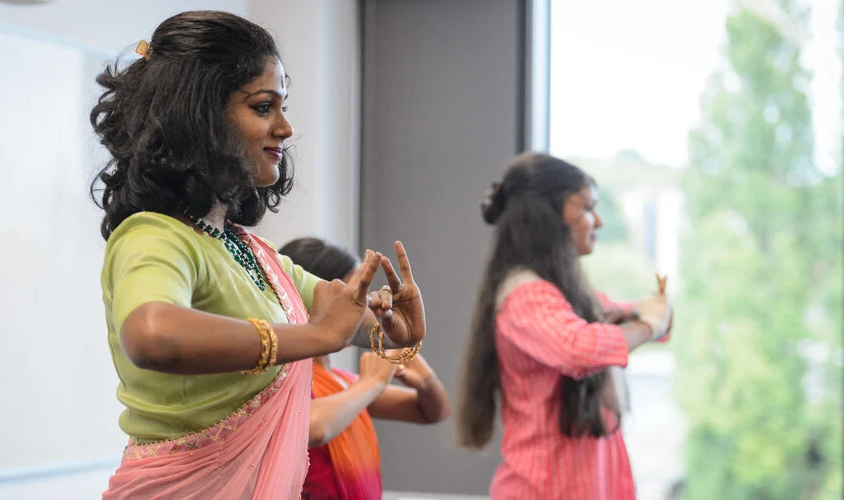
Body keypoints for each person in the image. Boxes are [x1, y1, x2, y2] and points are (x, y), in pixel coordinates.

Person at [89, 11, 426, 499]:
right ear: (200, 116)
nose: (286, 129)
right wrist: (313, 335)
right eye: (264, 106)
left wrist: (401, 332)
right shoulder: (154, 236)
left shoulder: (255, 253)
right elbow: (152, 334)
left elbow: (359, 327)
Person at [455, 152, 673, 500]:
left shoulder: (564, 293)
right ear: (546, 215)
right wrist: (649, 324)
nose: (598, 222)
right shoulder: (525, 296)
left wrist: (650, 315)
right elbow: (581, 349)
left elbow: (619, 318)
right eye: (587, 208)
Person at [279, 237, 451, 500]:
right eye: (356, 296)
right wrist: (370, 384)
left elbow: (431, 412)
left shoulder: (342, 383)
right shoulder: (286, 379)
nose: (367, 307)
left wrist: (425, 379)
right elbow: (312, 426)